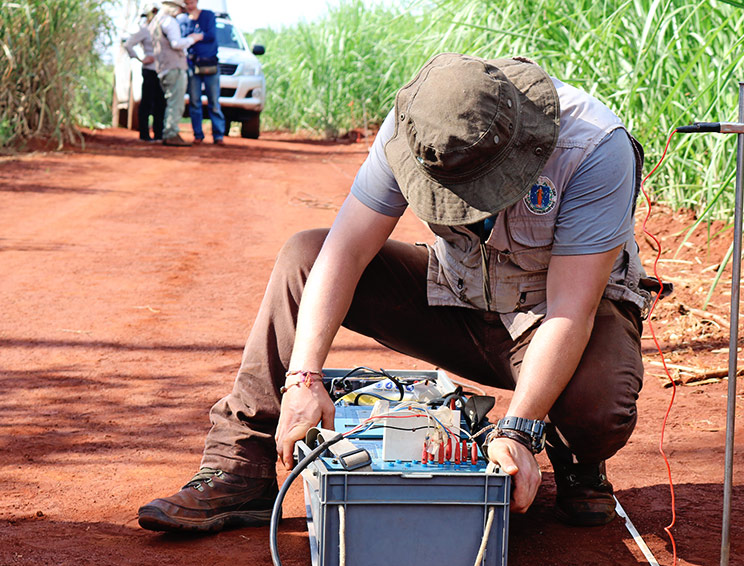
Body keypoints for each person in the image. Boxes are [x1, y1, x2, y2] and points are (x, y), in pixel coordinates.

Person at [138, 53, 652, 533]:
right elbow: (344, 253)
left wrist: (519, 429)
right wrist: (303, 378)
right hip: (459, 300)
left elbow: (570, 309)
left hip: (553, 320)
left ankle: (571, 451)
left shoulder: (593, 148)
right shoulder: (416, 128)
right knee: (306, 254)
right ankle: (240, 467)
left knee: (596, 406)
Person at [149, 0, 202, 146]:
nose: (181, 12)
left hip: (162, 66)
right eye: (180, 8)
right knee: (175, 102)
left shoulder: (156, 21)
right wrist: (193, 38)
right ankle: (171, 133)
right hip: (174, 66)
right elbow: (176, 43)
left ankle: (168, 132)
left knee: (170, 100)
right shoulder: (169, 21)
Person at [181, 0, 225, 145]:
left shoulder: (208, 15)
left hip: (210, 64)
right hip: (193, 65)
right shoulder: (183, 20)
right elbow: (183, 39)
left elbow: (211, 35)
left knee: (213, 101)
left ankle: (218, 135)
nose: (190, 5)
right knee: (194, 101)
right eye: (187, 3)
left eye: (192, 2)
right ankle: (198, 134)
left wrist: (197, 37)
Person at [122, 4, 166, 142]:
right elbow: (128, 44)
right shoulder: (144, 31)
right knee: (147, 102)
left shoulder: (164, 30)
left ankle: (159, 134)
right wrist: (141, 58)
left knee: (161, 103)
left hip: (163, 71)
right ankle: (144, 134)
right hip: (149, 70)